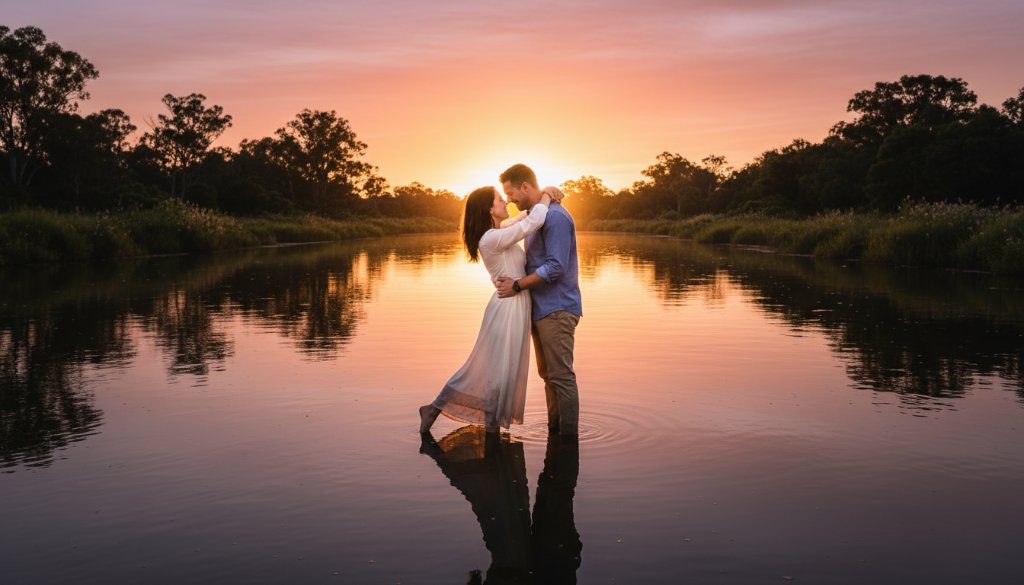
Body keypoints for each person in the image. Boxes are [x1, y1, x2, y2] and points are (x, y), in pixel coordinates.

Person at [419, 184, 558, 433]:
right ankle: (436, 408)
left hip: (514, 305)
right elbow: (530, 224)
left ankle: (490, 425)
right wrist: (547, 196)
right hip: (506, 310)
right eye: (499, 199)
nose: (505, 201)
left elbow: (522, 218)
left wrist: (542, 196)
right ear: (489, 209)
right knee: (494, 371)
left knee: (502, 372)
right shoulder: (491, 238)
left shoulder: (497, 232)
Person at [495, 164, 582, 438]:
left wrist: (517, 285)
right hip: (542, 310)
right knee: (549, 376)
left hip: (557, 309)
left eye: (510, 193)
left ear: (525, 186)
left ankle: (568, 441)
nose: (509, 200)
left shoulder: (554, 218)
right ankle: (555, 434)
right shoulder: (535, 216)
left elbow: (555, 268)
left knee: (562, 377)